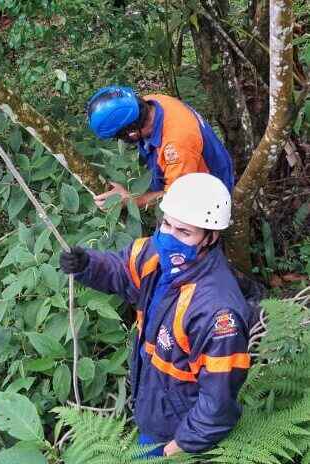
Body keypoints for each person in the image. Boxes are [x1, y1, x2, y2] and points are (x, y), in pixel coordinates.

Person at [59, 173, 252, 456]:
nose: (169, 238)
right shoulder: (155, 252)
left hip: (178, 431)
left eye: (184, 232)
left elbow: (218, 401)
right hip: (153, 402)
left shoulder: (217, 312)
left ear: (210, 237)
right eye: (167, 224)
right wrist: (87, 265)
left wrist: (177, 448)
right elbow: (122, 270)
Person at [86, 86, 234, 209]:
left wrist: (132, 201)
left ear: (131, 132)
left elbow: (179, 198)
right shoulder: (152, 102)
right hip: (190, 168)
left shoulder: (177, 144)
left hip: (209, 195)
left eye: (120, 136)